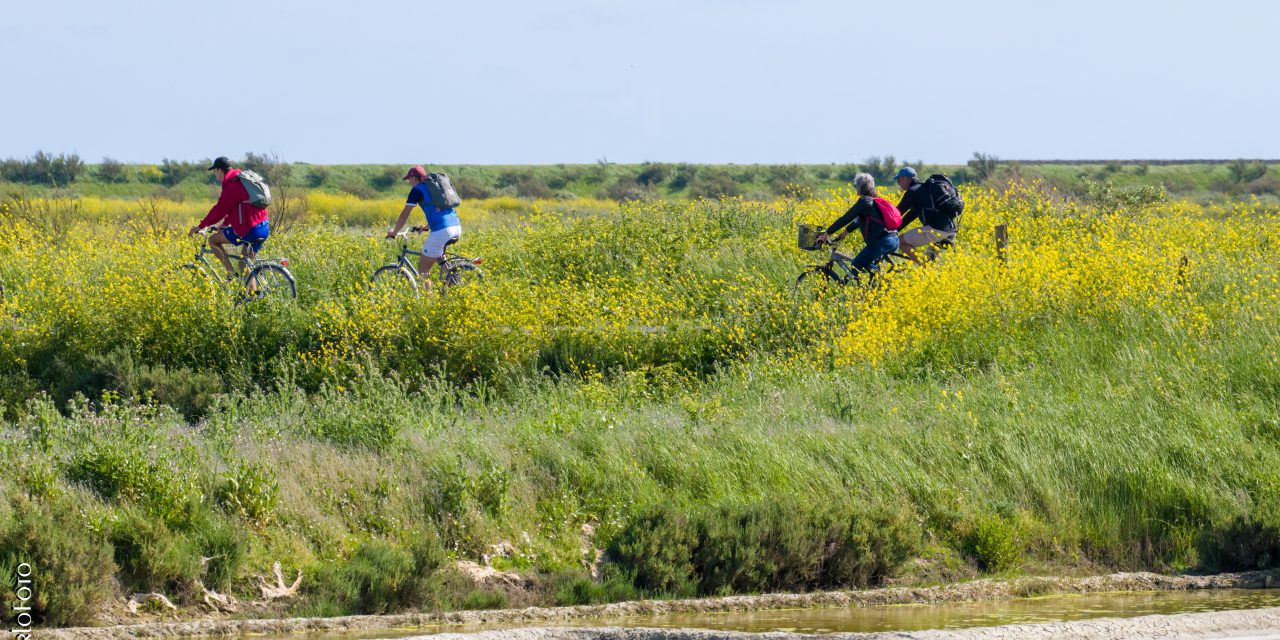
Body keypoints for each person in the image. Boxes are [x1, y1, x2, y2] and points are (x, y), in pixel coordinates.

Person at [188, 156, 270, 279]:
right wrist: (225, 224)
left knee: (213, 240)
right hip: (262, 226)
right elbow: (236, 207)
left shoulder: (232, 185)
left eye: (214, 171)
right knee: (244, 267)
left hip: (249, 228)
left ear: (219, 170)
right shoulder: (240, 180)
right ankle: (253, 296)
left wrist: (201, 226)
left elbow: (219, 210)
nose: (215, 174)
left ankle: (230, 273)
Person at [386, 165, 461, 292]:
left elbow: (405, 213)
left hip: (442, 231)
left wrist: (394, 232)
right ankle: (455, 285)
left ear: (414, 178)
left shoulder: (417, 190)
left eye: (409, 179)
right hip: (456, 226)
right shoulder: (435, 188)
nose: (409, 183)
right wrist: (426, 227)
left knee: (423, 269)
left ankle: (428, 301)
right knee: (438, 257)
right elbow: (439, 210)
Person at [815, 173, 900, 279]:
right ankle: (867, 291)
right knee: (862, 266)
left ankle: (879, 278)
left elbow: (846, 218)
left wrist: (826, 233)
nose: (855, 188)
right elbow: (857, 222)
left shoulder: (864, 201)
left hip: (882, 241)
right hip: (893, 239)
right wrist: (843, 234)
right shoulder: (873, 201)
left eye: (856, 186)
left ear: (862, 187)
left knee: (856, 264)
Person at [893, 167, 958, 264]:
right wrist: (896, 229)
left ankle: (923, 266)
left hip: (936, 229)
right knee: (930, 263)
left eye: (899, 180)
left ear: (905, 179)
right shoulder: (924, 189)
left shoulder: (912, 192)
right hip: (950, 230)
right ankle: (927, 271)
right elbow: (912, 215)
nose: (898, 183)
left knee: (901, 242)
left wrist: (885, 228)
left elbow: (896, 213)